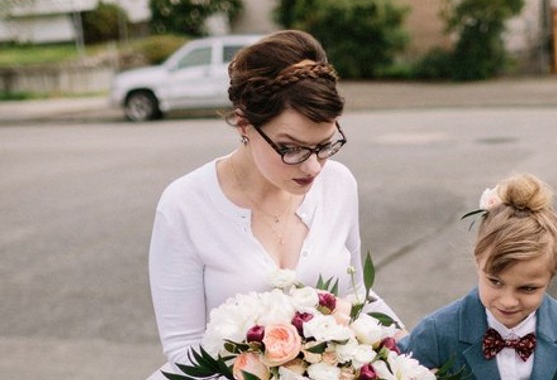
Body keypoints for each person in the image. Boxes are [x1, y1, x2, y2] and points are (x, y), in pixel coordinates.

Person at [146, 30, 397, 379]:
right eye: (291, 148)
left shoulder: (339, 184)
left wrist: (404, 354)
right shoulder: (184, 206)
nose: (313, 167)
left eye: (325, 145)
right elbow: (184, 350)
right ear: (245, 125)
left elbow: (354, 296)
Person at [398, 174, 557, 380]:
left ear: (552, 276)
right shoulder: (437, 332)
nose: (508, 301)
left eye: (527, 288)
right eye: (495, 282)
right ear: (478, 261)